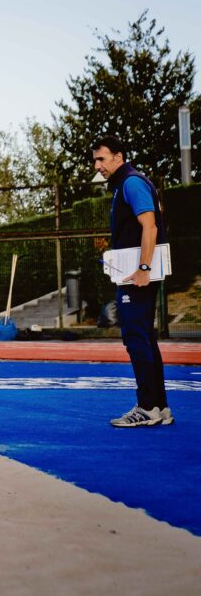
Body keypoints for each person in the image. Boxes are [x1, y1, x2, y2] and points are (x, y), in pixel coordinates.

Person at [92, 135, 173, 427]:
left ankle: (147, 406)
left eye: (102, 158)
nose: (98, 165)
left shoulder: (131, 182)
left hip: (137, 277)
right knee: (145, 338)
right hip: (133, 272)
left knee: (135, 337)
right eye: (95, 160)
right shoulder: (130, 184)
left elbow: (150, 226)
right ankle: (160, 408)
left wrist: (142, 268)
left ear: (118, 156)